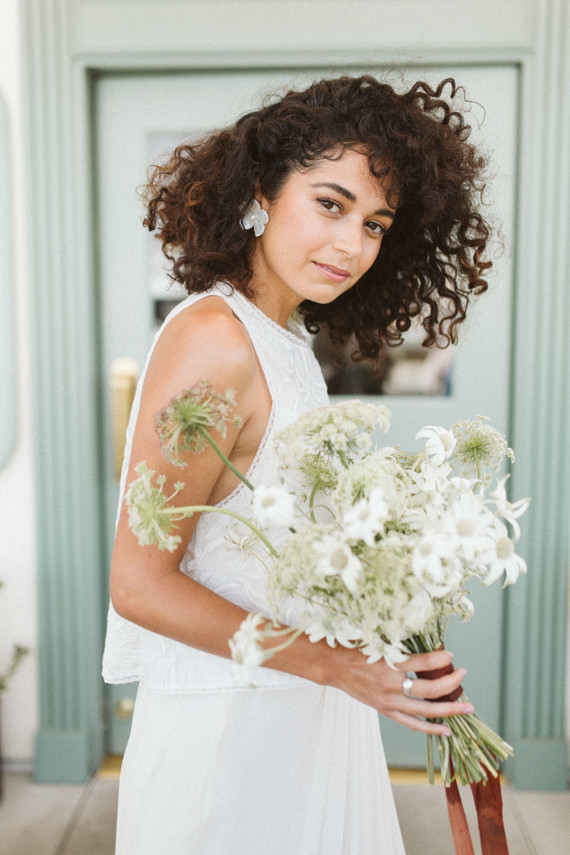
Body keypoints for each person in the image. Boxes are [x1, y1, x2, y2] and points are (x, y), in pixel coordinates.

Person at [103, 74, 493, 854]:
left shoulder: (287, 341)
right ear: (262, 192)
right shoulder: (216, 339)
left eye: (377, 223)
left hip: (297, 715)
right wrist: (338, 665)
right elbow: (139, 583)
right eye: (330, 203)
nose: (352, 245)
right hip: (230, 740)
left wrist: (396, 628)